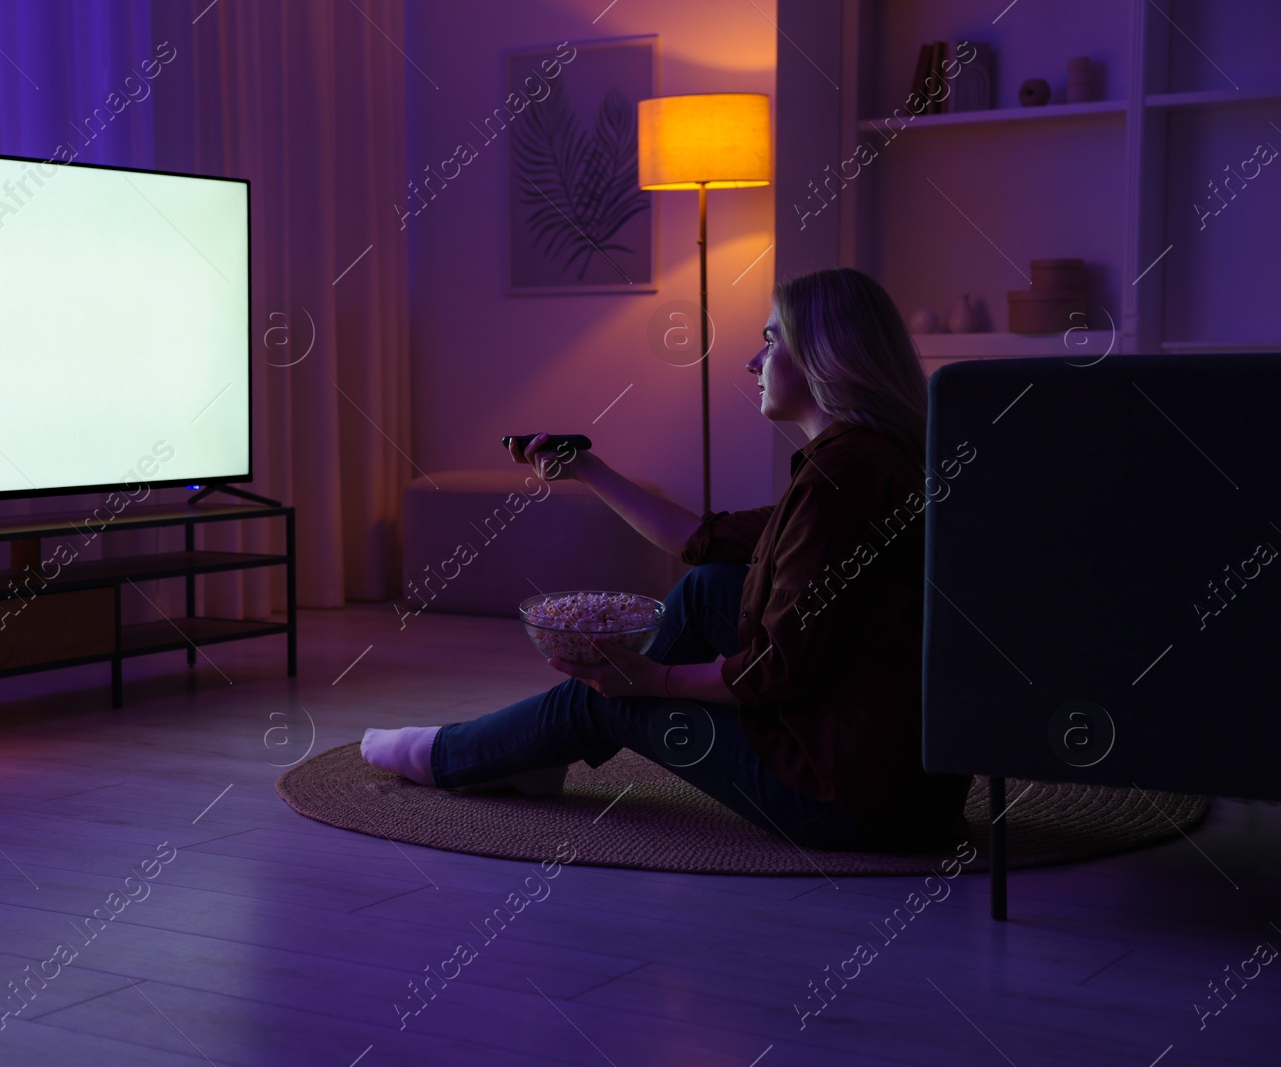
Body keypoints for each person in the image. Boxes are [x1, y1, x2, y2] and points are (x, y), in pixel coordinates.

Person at [361, 267, 971, 852]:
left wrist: (656, 681)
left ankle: (449, 757)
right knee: (709, 586)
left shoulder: (842, 481)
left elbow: (777, 670)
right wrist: (586, 469)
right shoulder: (866, 459)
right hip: (902, 781)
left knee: (614, 696)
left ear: (821, 355)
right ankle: (536, 757)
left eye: (769, 340)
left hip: (846, 803)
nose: (753, 362)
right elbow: (703, 540)